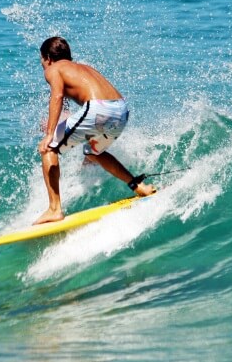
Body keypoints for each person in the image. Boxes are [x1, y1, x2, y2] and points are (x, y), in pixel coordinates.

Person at [34, 36, 156, 225]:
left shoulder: (53, 70)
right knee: (92, 152)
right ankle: (139, 186)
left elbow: (57, 96)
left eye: (42, 60)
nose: (43, 65)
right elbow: (71, 108)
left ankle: (54, 209)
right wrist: (57, 126)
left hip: (99, 109)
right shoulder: (81, 68)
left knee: (49, 148)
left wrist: (50, 134)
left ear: (48, 58)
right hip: (121, 110)